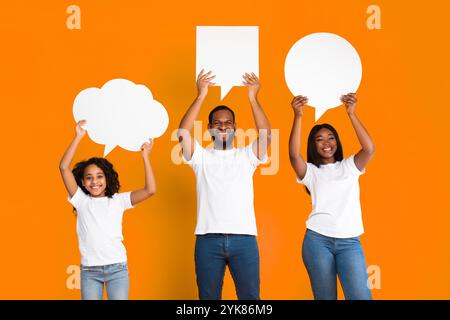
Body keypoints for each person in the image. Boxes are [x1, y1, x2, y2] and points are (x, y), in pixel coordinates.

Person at [177, 70, 271, 300]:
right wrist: (201, 95)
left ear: (235, 127)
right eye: (217, 123)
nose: (222, 126)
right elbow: (182, 133)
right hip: (207, 240)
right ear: (209, 128)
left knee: (250, 300)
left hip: (244, 239)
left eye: (228, 123)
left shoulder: (247, 156)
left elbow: (266, 136)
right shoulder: (200, 157)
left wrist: (252, 97)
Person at [288, 93, 375, 300]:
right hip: (317, 240)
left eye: (331, 137)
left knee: (360, 296)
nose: (326, 143)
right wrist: (298, 116)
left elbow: (369, 148)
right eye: (319, 139)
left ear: (337, 141)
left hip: (350, 242)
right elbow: (293, 155)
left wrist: (351, 114)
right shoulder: (311, 172)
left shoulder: (350, 166)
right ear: (313, 145)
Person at [59, 120, 156, 300]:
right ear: (82, 182)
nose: (94, 182)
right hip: (90, 271)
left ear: (107, 178)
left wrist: (145, 157)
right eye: (89, 178)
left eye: (99, 177)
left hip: (117, 269)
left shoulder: (118, 201)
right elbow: (63, 167)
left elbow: (150, 190)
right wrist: (78, 137)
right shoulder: (80, 200)